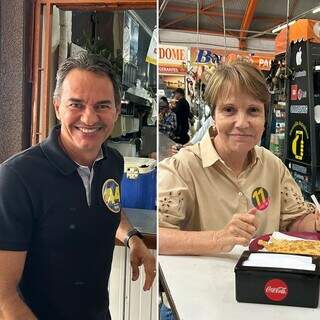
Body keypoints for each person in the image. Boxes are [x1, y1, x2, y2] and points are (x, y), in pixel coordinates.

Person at [0, 53, 155, 320]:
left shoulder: (112, 162)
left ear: (117, 111)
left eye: (102, 106)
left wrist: (131, 237)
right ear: (57, 106)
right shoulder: (17, 178)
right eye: (77, 104)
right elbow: (4, 298)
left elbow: (107, 205)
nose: (89, 117)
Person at [159, 59, 320, 256]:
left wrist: (315, 222)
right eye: (229, 110)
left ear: (264, 118)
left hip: (267, 284)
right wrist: (218, 239)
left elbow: (294, 221)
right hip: (203, 284)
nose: (242, 123)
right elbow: (158, 234)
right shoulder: (182, 167)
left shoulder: (273, 166)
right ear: (214, 117)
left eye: (253, 110)